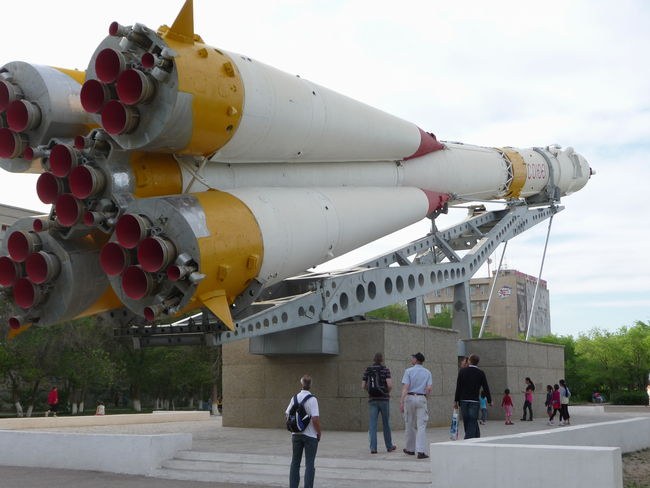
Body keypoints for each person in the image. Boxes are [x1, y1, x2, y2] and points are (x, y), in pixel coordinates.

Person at [286, 374, 321, 488]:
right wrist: (318, 433)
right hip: (310, 435)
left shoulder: (294, 398)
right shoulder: (313, 399)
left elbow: (287, 414)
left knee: (295, 462)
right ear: (310, 385)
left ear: (301, 384)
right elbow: (315, 419)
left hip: (296, 434)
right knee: (310, 464)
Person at [400, 352, 433, 459]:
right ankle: (421, 451)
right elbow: (429, 389)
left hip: (409, 398)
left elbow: (406, 387)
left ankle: (410, 449)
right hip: (421, 398)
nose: (412, 359)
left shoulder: (408, 371)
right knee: (421, 425)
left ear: (416, 360)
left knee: (409, 423)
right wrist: (425, 397)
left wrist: (401, 401)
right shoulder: (428, 372)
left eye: (413, 358)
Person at [362, 352, 396, 454]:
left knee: (372, 424)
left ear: (374, 359)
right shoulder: (385, 369)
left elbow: (363, 385)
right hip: (384, 400)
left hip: (372, 400)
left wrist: (370, 391)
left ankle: (373, 448)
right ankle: (389, 446)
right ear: (381, 360)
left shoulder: (368, 370)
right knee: (386, 423)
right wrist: (386, 393)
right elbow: (390, 385)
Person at [454, 354, 492, 439]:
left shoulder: (462, 371)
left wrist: (456, 400)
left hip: (463, 400)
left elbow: (458, 387)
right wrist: (489, 400)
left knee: (467, 420)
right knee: (472, 420)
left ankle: (468, 439)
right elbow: (486, 387)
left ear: (469, 361)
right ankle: (476, 436)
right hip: (474, 401)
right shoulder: (481, 373)